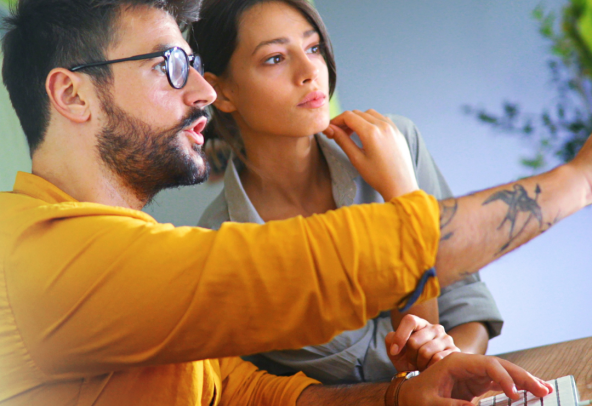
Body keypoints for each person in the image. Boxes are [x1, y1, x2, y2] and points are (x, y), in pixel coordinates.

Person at [0, 0, 589, 404]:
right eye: (169, 66)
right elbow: (315, 269)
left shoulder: (139, 263)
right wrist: (578, 179)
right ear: (73, 94)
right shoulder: (33, 261)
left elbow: (250, 394)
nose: (202, 91)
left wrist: (397, 394)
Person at [193, 0, 502, 384]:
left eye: (313, 48)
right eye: (275, 58)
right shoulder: (224, 251)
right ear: (221, 92)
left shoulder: (396, 142)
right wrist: (404, 199)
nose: (310, 72)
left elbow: (467, 306)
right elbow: (394, 363)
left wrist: (451, 364)